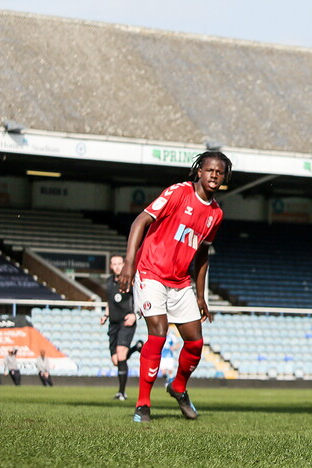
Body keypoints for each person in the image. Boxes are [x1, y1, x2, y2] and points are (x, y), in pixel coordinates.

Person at [118, 151, 229, 423]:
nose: (214, 175)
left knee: (195, 342)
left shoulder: (215, 213)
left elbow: (202, 254)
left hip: (181, 283)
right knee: (158, 332)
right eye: (209, 170)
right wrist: (129, 264)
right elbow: (140, 221)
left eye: (220, 172)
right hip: (151, 272)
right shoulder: (178, 192)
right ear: (198, 171)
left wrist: (201, 295)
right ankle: (143, 403)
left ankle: (178, 387)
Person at [100, 253, 143, 400]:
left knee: (121, 354)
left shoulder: (131, 280)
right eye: (115, 264)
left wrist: (134, 315)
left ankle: (121, 393)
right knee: (116, 360)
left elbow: (140, 299)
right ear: (111, 266)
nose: (118, 266)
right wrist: (105, 316)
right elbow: (110, 301)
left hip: (126, 322)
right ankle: (136, 348)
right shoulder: (109, 281)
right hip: (113, 323)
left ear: (124, 264)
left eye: (120, 263)